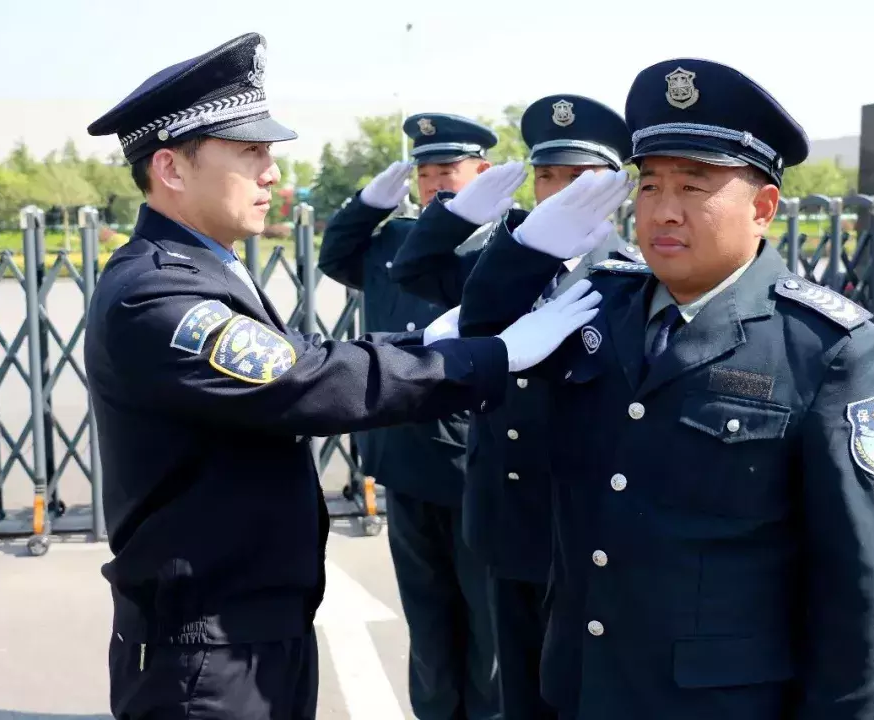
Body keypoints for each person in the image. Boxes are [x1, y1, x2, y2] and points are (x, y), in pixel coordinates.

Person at [82, 32, 606, 720]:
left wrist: (428, 338)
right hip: (207, 647)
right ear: (172, 169)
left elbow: (300, 355)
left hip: (245, 624)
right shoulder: (155, 295)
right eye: (250, 153)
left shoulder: (199, 268)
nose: (272, 172)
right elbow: (304, 380)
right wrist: (493, 357)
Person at [457, 58, 874, 719]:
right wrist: (527, 246)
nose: (664, 211)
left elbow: (859, 586)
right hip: (581, 686)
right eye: (649, 186)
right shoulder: (597, 308)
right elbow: (487, 340)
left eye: (694, 187)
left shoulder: (825, 348)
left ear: (762, 207)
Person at [387, 95, 635, 720]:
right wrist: (456, 213)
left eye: (580, 179)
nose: (558, 192)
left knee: (579, 691)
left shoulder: (630, 277)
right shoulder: (504, 265)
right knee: (513, 692)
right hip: (504, 518)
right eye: (548, 176)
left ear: (614, 188)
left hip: (581, 529)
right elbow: (415, 268)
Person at [316, 113, 504, 720]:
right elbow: (336, 254)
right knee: (427, 622)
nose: (436, 186)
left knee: (489, 627)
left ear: (483, 173)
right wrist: (367, 205)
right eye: (425, 174)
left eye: (448, 171)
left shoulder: (507, 245)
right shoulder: (394, 243)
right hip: (404, 458)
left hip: (477, 466)